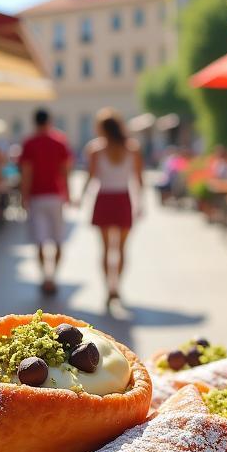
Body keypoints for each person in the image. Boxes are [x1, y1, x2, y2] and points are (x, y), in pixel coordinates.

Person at [87, 108, 143, 308]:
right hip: (122, 199)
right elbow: (138, 178)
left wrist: (81, 198)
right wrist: (140, 203)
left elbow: (91, 177)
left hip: (104, 198)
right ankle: (116, 285)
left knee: (105, 248)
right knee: (121, 248)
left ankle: (108, 287)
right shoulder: (132, 148)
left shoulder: (95, 149)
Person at [20, 107, 72, 295]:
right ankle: (53, 276)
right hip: (55, 195)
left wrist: (23, 196)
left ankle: (45, 277)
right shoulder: (59, 141)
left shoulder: (29, 143)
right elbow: (65, 171)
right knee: (58, 240)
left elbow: (26, 172)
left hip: (36, 196)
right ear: (49, 121)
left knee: (40, 241)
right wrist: (68, 193)